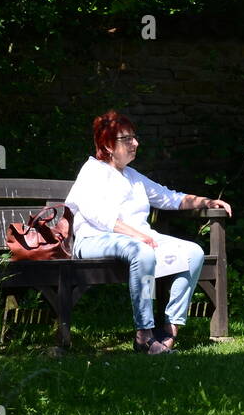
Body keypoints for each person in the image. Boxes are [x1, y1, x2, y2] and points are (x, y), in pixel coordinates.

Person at [65, 111, 233, 354]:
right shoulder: (92, 172)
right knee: (142, 252)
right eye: (127, 139)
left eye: (134, 137)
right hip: (94, 240)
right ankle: (144, 334)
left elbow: (168, 197)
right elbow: (96, 215)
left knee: (193, 253)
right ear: (107, 145)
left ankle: (169, 330)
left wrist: (206, 202)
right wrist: (135, 235)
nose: (135, 143)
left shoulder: (132, 177)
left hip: (135, 240)